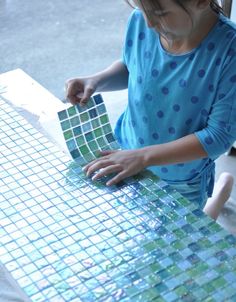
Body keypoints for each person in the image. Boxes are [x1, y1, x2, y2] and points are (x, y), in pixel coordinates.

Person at [66, 0, 236, 218]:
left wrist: (143, 157)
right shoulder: (142, 19)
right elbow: (131, 66)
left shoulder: (230, 51)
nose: (147, 22)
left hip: (181, 177)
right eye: (140, 9)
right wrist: (97, 80)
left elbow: (218, 136)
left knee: (181, 240)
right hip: (127, 153)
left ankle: (219, 194)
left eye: (159, 12)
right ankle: (220, 193)